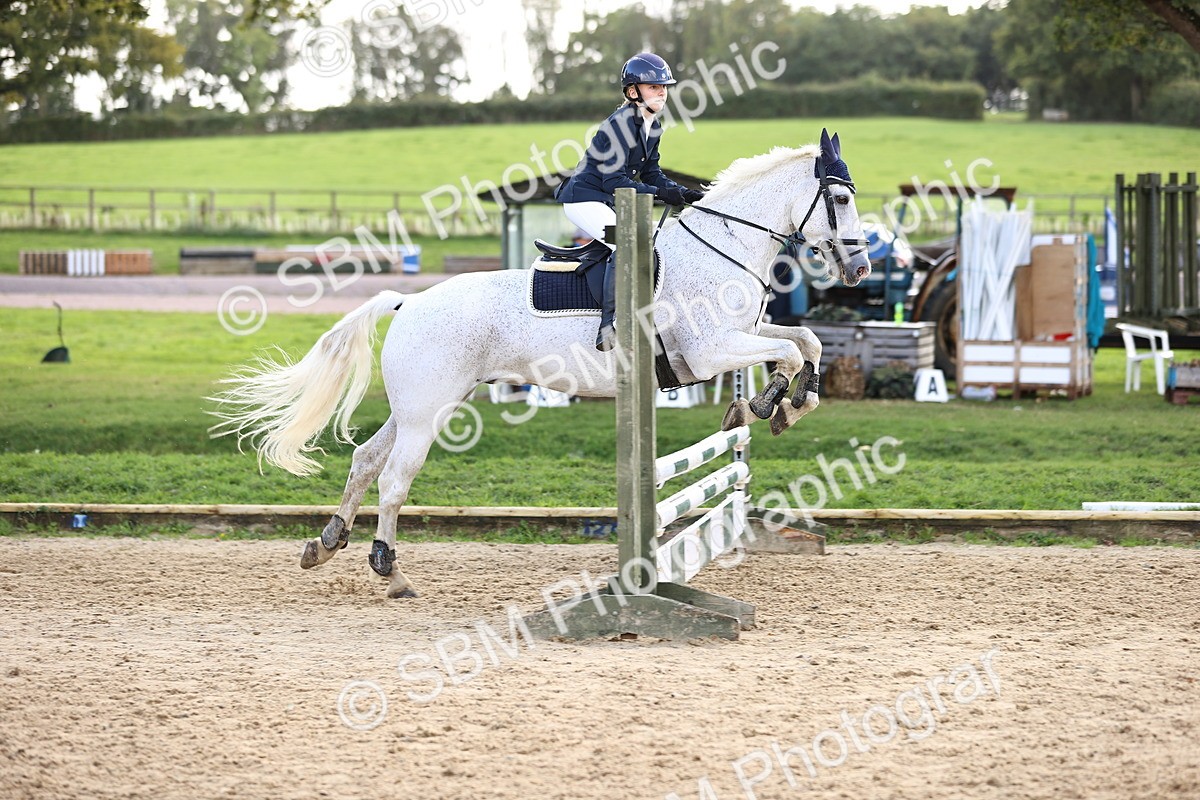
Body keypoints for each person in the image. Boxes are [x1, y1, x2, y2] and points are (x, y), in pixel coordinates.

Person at [555, 52, 705, 351]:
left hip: (609, 200)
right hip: (584, 199)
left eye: (664, 86)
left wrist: (685, 192)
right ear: (633, 91)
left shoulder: (654, 126)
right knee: (628, 241)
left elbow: (652, 172)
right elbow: (614, 182)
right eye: (653, 87)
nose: (662, 91)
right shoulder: (620, 124)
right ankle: (610, 324)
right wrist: (662, 194)